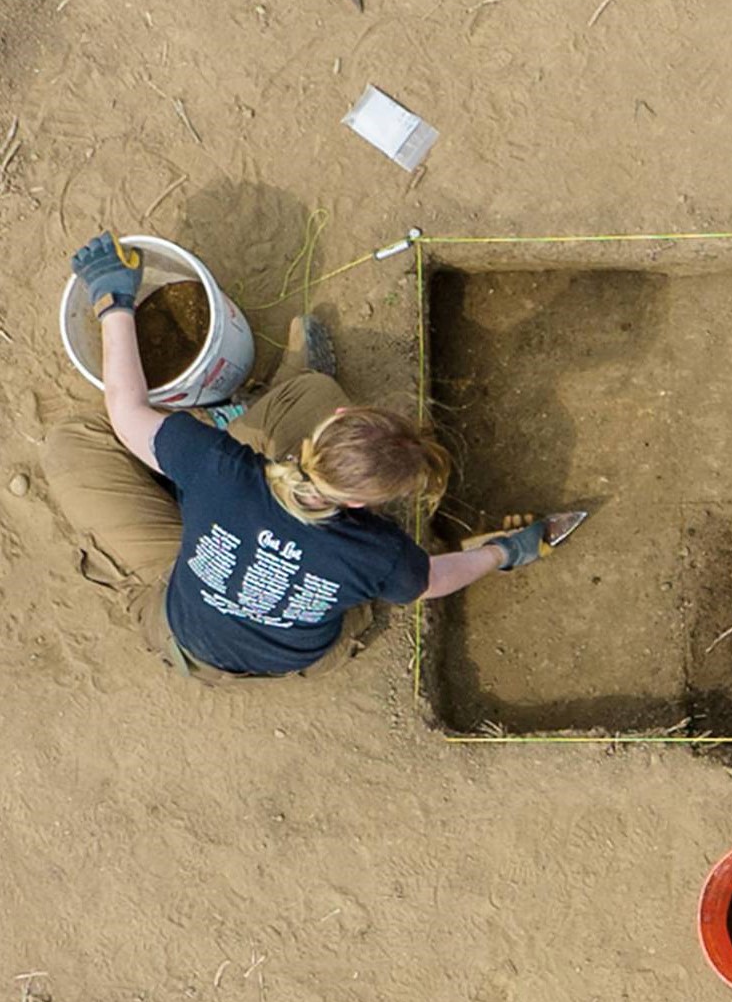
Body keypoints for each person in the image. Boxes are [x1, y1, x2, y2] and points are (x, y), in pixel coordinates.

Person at [42, 231, 581, 681]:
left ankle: (264, 404)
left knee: (76, 442)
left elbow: (126, 404)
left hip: (185, 620)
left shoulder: (218, 467)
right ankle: (275, 397)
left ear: (338, 424)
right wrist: (506, 553)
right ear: (369, 503)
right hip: (274, 644)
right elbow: (432, 582)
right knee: (306, 396)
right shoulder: (379, 554)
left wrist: (114, 300)